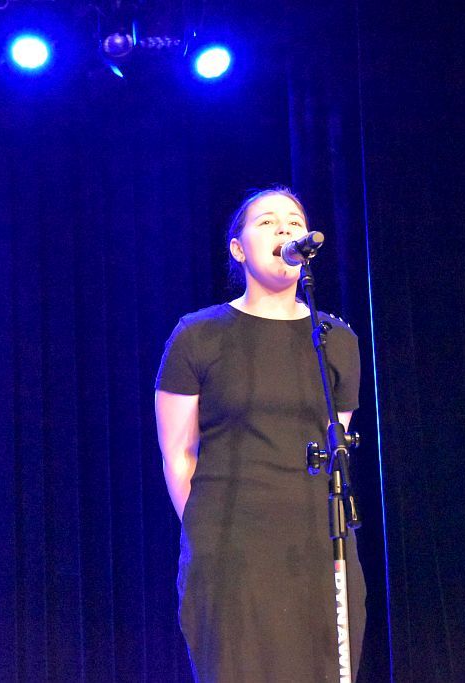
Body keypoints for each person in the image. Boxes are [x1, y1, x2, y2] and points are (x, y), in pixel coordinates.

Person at [154, 187, 365, 681]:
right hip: (231, 546)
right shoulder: (197, 335)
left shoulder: (337, 341)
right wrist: (208, 535)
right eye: (267, 221)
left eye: (294, 220)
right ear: (238, 248)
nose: (285, 228)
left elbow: (334, 444)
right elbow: (178, 455)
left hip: (319, 543)